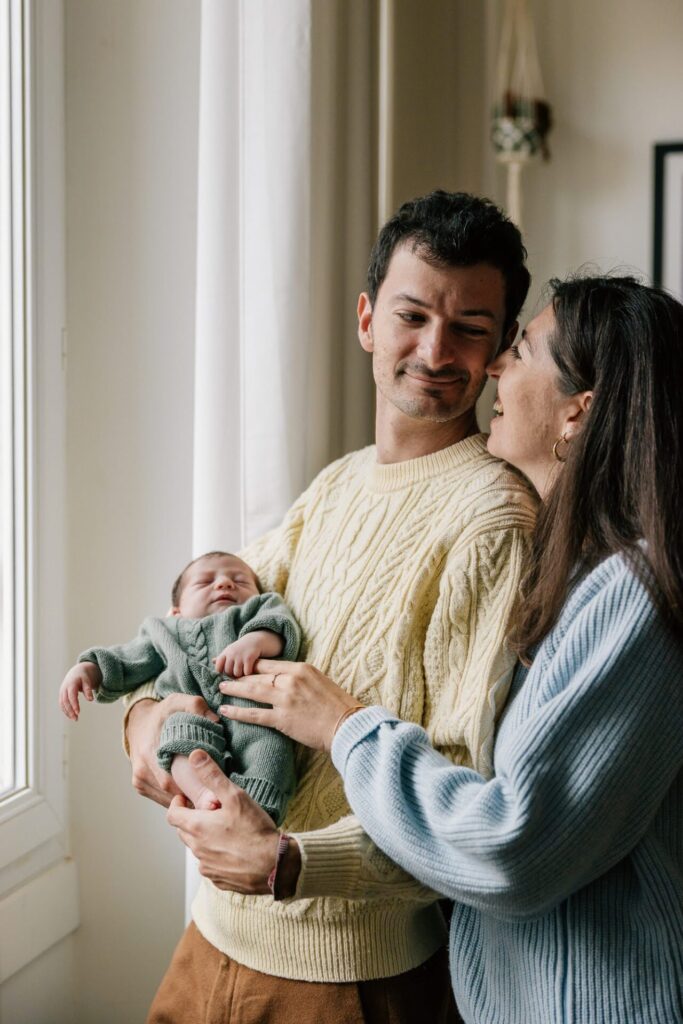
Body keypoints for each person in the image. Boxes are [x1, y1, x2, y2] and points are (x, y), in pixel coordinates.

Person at [217, 275, 683, 1024]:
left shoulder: (631, 595)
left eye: (517, 348)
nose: (494, 366)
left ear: (578, 411)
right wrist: (146, 708)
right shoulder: (575, 569)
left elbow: (513, 844)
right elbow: (211, 602)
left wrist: (345, 727)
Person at [125, 191, 538, 1024]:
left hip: (347, 979)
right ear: (366, 319)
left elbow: (463, 804)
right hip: (207, 942)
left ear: (498, 350)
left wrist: (288, 863)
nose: (433, 349)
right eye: (412, 314)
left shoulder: (495, 521)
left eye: (468, 327)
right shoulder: (337, 483)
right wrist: (141, 716)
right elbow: (195, 636)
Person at [60, 551, 299, 821]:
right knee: (177, 738)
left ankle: (259, 814)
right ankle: (202, 796)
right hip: (191, 715)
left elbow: (280, 626)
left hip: (252, 716)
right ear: (176, 611)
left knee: (270, 751)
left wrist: (255, 642)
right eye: (204, 582)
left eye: (240, 580)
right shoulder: (164, 630)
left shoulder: (257, 608)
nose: (224, 583)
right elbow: (128, 659)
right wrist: (90, 669)